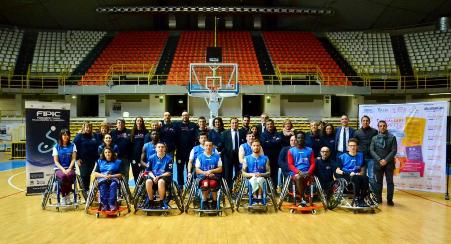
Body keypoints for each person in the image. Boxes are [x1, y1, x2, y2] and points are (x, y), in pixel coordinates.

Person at [335, 138, 369, 207]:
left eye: (354, 145)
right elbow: (337, 170)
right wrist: (348, 173)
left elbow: (362, 169)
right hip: (346, 176)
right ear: (348, 147)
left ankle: (361, 199)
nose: (352, 147)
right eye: (350, 146)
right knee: (356, 177)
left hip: (357, 176)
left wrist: (360, 174)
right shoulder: (342, 156)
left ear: (357, 147)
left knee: (366, 178)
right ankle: (356, 198)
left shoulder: (361, 156)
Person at [370, 120, 397, 206]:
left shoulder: (392, 137)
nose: (382, 127)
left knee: (390, 182)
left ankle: (389, 200)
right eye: (380, 126)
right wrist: (379, 160)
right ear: (378, 127)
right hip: (378, 164)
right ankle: (378, 199)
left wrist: (386, 160)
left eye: (384, 126)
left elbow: (394, 150)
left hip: (389, 164)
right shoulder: (374, 138)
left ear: (386, 127)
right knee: (378, 182)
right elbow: (372, 150)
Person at [287, 132, 315, 206]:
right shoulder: (291, 151)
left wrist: (309, 172)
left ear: (304, 139)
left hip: (307, 172)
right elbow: (290, 165)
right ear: (296, 139)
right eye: (298, 138)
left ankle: (303, 198)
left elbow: (312, 163)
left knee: (303, 177)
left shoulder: (310, 150)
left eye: (302, 138)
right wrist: (299, 172)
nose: (300, 139)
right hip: (296, 173)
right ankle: (303, 199)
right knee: (299, 177)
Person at [195, 140, 223, 210]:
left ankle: (214, 202)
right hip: (203, 176)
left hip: (214, 176)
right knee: (205, 184)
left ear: (212, 146)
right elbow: (197, 170)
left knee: (213, 183)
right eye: (206, 145)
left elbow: (220, 169)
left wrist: (211, 171)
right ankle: (205, 202)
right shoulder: (200, 157)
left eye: (210, 145)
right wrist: (205, 173)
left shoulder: (217, 156)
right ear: (204, 147)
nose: (208, 147)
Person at [145, 142, 173, 209]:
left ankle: (161, 201)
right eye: (159, 147)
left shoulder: (169, 159)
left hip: (164, 178)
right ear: (156, 149)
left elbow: (169, 172)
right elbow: (148, 171)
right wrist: (154, 177)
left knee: (160, 181)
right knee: (148, 181)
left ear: (165, 149)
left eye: (162, 147)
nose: (160, 148)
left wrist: (159, 176)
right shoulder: (151, 158)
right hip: (153, 177)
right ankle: (151, 201)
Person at [52, 128, 77, 205]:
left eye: (67, 135)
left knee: (69, 175)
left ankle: (68, 195)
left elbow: (73, 159)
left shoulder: (73, 145)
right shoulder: (56, 146)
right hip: (59, 168)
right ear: (61, 136)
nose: (66, 136)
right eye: (64, 135)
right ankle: (63, 196)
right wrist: (63, 169)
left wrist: (69, 168)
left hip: (70, 168)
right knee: (63, 176)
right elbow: (56, 161)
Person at [94, 147, 123, 211]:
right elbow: (95, 173)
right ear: (103, 154)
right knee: (103, 186)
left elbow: (120, 174)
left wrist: (112, 176)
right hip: (103, 178)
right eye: (106, 152)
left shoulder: (118, 162)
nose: (107, 154)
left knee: (113, 185)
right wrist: (104, 176)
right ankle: (105, 204)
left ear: (112, 153)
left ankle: (111, 204)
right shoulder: (100, 161)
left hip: (113, 178)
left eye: (109, 152)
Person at [354, 115, 378, 191]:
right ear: (361, 122)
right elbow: (355, 145)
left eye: (367, 121)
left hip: (371, 158)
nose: (365, 122)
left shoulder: (374, 131)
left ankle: (374, 195)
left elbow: (377, 144)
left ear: (369, 122)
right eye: (364, 121)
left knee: (371, 177)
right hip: (361, 158)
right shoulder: (357, 132)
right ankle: (362, 193)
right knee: (362, 177)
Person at [174, 111, 197, 188]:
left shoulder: (193, 125)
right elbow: (167, 124)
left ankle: (189, 184)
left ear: (189, 116)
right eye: (183, 115)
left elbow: (200, 131)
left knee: (189, 169)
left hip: (190, 152)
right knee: (179, 169)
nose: (185, 117)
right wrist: (161, 122)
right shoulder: (177, 125)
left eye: (186, 115)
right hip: (180, 151)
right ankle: (180, 185)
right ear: (181, 116)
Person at [73, 122, 99, 191]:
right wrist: (77, 159)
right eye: (87, 127)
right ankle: (84, 190)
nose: (88, 129)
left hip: (92, 160)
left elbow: (99, 144)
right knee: (84, 175)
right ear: (83, 128)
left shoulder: (95, 136)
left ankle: (86, 190)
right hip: (82, 160)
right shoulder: (79, 136)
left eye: (89, 127)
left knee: (88, 175)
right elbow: (73, 147)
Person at [221, 117, 245, 188]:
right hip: (228, 156)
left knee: (239, 173)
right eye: (233, 123)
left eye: (236, 123)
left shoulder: (242, 132)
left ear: (238, 124)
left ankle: (236, 188)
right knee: (228, 174)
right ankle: (228, 190)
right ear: (230, 124)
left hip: (239, 156)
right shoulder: (225, 133)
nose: (234, 124)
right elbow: (222, 144)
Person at [260, 119, 283, 189]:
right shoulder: (263, 135)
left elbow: (279, 142)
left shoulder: (278, 134)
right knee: (266, 173)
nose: (270, 125)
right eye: (268, 124)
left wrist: (269, 142)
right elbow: (264, 144)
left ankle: (274, 189)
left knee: (274, 174)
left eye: (271, 124)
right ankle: (266, 190)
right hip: (266, 157)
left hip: (276, 157)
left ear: (273, 125)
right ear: (265, 126)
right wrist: (274, 141)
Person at [130, 117, 149, 183]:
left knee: (144, 173)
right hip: (134, 156)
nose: (139, 122)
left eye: (140, 121)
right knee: (135, 172)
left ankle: (143, 189)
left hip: (143, 155)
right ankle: (137, 188)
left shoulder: (146, 132)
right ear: (135, 122)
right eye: (138, 121)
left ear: (142, 122)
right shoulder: (132, 132)